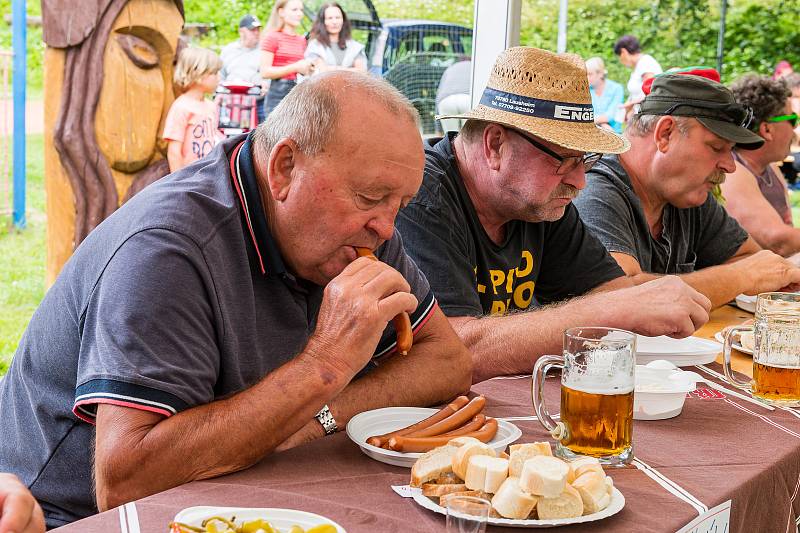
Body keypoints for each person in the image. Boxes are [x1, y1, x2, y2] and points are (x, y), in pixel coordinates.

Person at [0, 71, 472, 528]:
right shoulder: (168, 250)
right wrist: (323, 367)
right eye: (371, 197)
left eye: (400, 206)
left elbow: (445, 360)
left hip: (238, 494)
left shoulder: (361, 227)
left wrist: (312, 418)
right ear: (285, 167)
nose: (387, 228)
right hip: (67, 516)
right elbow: (125, 482)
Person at [395, 47, 712, 383]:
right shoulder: (422, 195)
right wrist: (614, 310)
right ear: (495, 145)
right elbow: (455, 352)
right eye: (565, 159)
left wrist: (625, 304)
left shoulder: (538, 203)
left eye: (584, 159)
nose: (580, 180)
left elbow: (611, 292)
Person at [574, 72, 800, 310]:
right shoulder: (594, 188)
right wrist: (741, 278)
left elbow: (751, 262)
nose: (730, 165)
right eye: (716, 147)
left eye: (731, 150)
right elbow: (621, 296)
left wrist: (745, 274)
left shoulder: (685, 194)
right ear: (665, 134)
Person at [720, 75, 798, 256]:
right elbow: (777, 241)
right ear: (767, 130)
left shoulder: (771, 168)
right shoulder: (732, 170)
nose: (794, 129)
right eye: (792, 119)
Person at [163, 47, 223, 172]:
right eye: (214, 72)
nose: (219, 77)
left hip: (208, 173)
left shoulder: (211, 106)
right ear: (198, 74)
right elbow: (174, 152)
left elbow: (212, 135)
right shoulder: (181, 107)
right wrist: (178, 184)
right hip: (189, 178)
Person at [260, 0, 311, 116]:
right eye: (294, 10)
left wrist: (308, 68)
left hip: (298, 94)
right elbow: (265, 72)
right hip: (277, 95)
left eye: (301, 10)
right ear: (281, 12)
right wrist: (295, 67)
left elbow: (301, 70)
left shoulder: (302, 40)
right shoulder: (272, 37)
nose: (299, 14)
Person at [220, 14, 269, 124]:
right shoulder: (229, 50)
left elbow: (269, 74)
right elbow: (220, 75)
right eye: (252, 30)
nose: (256, 33)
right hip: (231, 102)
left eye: (258, 30)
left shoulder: (264, 50)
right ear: (241, 31)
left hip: (258, 103)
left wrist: (266, 84)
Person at [305, 3, 367, 74]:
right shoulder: (315, 46)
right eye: (330, 18)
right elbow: (320, 71)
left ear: (343, 20)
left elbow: (362, 72)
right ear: (322, 22)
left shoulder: (355, 47)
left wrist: (331, 69)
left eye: (337, 17)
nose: (334, 22)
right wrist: (349, 70)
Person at [613, 35, 662, 120]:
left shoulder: (645, 62)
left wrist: (631, 104)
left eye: (620, 57)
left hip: (649, 115)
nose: (621, 61)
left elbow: (650, 91)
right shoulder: (638, 65)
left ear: (623, 52)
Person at [586, 57, 624, 133]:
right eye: (585, 74)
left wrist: (592, 121)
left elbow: (611, 115)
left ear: (600, 74)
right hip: (591, 132)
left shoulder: (616, 88)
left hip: (614, 133)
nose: (587, 78)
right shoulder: (586, 90)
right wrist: (602, 124)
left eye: (590, 74)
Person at [436, 57, 471, 133]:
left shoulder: (450, 68)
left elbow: (438, 96)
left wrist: (438, 129)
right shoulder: (474, 66)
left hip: (446, 101)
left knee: (450, 137)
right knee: (467, 137)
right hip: (467, 100)